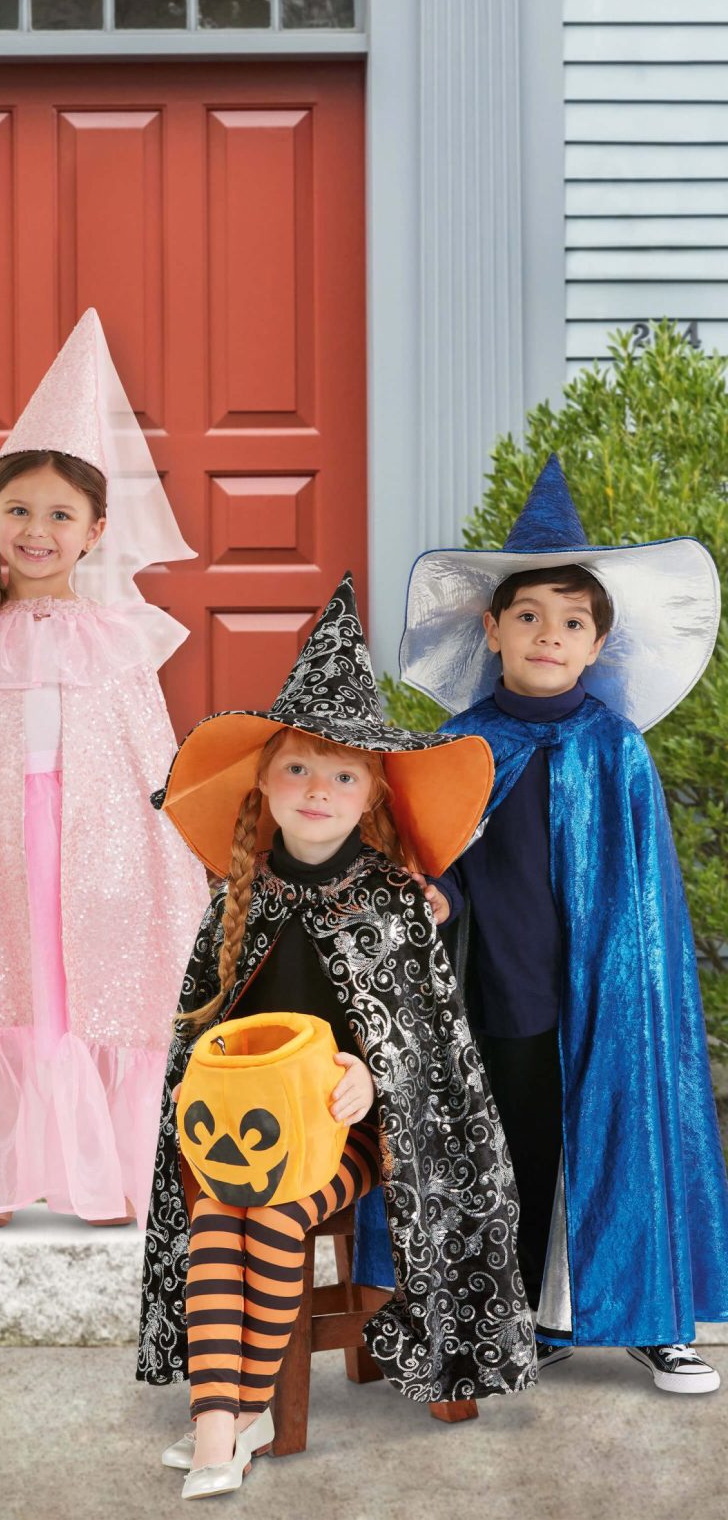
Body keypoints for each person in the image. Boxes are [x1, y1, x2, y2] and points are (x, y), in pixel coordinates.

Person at [137, 573, 534, 1501]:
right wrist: (205, 1081)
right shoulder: (234, 899)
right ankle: (226, 1417)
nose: (319, 790)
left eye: (344, 775)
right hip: (245, 1132)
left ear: (372, 798)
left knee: (276, 1212)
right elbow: (205, 1035)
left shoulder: (393, 902)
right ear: (263, 781)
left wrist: (372, 1074)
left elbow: (429, 1046)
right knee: (217, 1214)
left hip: (356, 1138)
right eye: (299, 770)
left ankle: (234, 1417)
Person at [396, 452, 728, 1392]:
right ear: (492, 629)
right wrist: (436, 898)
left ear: (597, 645)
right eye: (529, 616)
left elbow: (644, 897)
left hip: (609, 994)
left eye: (572, 621)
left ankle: (654, 1318)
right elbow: (440, 864)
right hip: (503, 987)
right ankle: (532, 1318)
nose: (550, 634)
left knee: (625, 1134)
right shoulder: (459, 745)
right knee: (518, 1147)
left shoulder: (616, 748)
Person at [0, 309, 209, 1228]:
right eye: (19, 511)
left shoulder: (120, 639)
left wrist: (161, 861)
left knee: (76, 985)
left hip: (92, 846)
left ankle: (100, 1169)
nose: (37, 530)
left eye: (60, 515)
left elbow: (149, 758)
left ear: (96, 530)